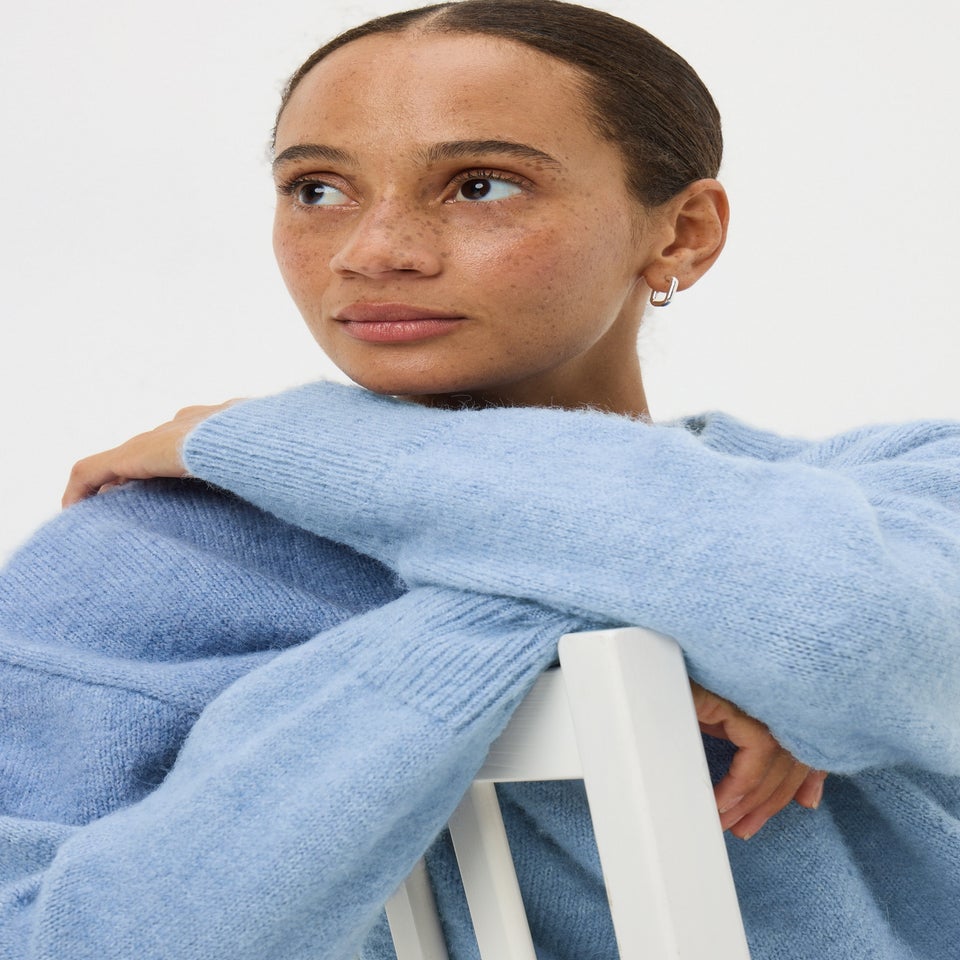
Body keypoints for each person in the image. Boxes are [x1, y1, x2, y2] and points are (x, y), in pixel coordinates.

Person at [2, 2, 959, 958]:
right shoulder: (146, 559)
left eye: (480, 184)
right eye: (317, 190)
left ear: (682, 234)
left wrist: (301, 443)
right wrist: (544, 626)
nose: (369, 252)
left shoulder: (897, 492)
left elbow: (862, 633)